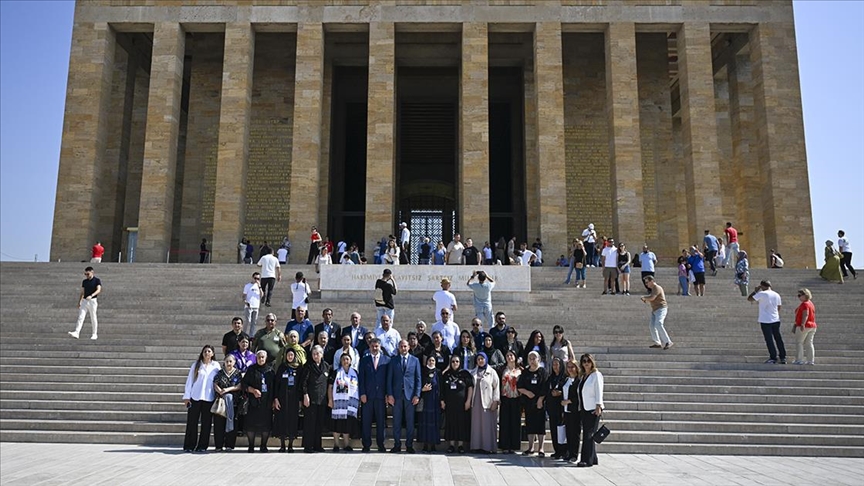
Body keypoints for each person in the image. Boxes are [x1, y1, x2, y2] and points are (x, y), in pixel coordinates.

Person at [182, 345, 221, 452]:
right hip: (195, 396)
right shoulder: (196, 365)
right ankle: (189, 445)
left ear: (213, 353)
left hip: (209, 397)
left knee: (206, 423)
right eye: (205, 351)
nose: (207, 353)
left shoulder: (216, 366)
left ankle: (202, 446)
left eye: (209, 351)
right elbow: (190, 381)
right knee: (192, 422)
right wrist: (187, 397)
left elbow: (219, 380)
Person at [387, 340, 422, 453]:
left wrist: (417, 395)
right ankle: (397, 444)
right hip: (396, 395)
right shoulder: (393, 361)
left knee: (410, 421)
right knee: (396, 421)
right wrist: (390, 395)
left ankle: (409, 445)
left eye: (405, 346)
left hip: (410, 395)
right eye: (401, 346)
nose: (403, 348)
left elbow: (418, 379)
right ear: (398, 348)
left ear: (408, 347)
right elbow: (389, 380)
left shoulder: (415, 360)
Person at [358, 338, 390, 452]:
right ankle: (366, 445)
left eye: (377, 346)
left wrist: (387, 394)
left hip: (381, 396)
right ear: (369, 347)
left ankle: (381, 444)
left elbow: (388, 379)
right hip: (367, 396)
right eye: (373, 346)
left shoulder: (387, 360)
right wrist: (362, 393)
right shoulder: (364, 360)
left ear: (380, 347)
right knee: (366, 421)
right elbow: (361, 378)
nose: (375, 348)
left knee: (381, 422)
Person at [241, 350, 275, 453]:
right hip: (253, 402)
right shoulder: (251, 369)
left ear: (266, 358)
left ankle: (263, 445)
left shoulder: (270, 370)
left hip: (266, 402)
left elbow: (274, 387)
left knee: (266, 426)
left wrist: (273, 400)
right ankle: (251, 445)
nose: (261, 359)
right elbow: (244, 384)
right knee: (251, 425)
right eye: (259, 357)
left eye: (263, 357)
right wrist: (252, 390)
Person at [441, 355, 473, 454]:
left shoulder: (465, 374)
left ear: (460, 363)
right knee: (450, 424)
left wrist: (468, 401)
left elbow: (470, 388)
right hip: (450, 404)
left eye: (457, 361)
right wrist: (442, 401)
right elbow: (442, 389)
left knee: (461, 424)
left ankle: (460, 446)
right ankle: (451, 445)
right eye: (453, 361)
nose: (455, 363)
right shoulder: (446, 374)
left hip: (462, 404)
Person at [748, 280, 786, 364]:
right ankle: (783, 357)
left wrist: (755, 291)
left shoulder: (762, 294)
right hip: (776, 319)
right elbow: (779, 307)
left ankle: (773, 357)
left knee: (769, 340)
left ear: (762, 286)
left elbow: (749, 299)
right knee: (778, 338)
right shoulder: (776, 294)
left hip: (765, 320)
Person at [576, 353, 604, 467]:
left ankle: (586, 460)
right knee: (589, 433)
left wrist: (598, 405)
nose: (586, 363)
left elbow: (599, 390)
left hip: (593, 408)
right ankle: (594, 457)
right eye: (584, 361)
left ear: (592, 362)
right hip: (584, 408)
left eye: (588, 361)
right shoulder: (583, 376)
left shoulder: (596, 375)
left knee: (588, 434)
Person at [301, 345, 330, 453]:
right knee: (310, 423)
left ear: (322, 354)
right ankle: (308, 446)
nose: (316, 356)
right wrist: (305, 395)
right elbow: (303, 383)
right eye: (314, 354)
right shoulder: (308, 366)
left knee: (319, 423)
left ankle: (317, 445)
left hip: (322, 399)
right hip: (310, 398)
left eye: (318, 353)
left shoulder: (326, 366)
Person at [518, 350, 548, 456]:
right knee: (530, 424)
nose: (532, 360)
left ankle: (541, 448)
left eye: (534, 358)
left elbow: (545, 386)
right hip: (528, 402)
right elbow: (520, 386)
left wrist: (540, 399)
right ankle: (531, 448)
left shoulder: (542, 371)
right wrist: (526, 392)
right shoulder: (525, 372)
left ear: (538, 359)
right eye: (530, 358)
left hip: (540, 402)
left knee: (540, 425)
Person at [328, 353, 360, 451]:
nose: (345, 361)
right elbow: (330, 387)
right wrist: (330, 399)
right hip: (338, 403)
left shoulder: (354, 373)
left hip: (350, 404)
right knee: (337, 423)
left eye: (347, 359)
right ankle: (336, 444)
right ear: (340, 361)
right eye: (343, 359)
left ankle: (346, 444)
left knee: (347, 424)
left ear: (350, 361)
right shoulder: (335, 372)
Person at [469, 352, 500, 453]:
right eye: (478, 359)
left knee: (487, 425)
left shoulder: (492, 372)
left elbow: (496, 387)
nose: (480, 361)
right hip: (476, 401)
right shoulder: (473, 372)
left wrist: (495, 401)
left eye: (482, 359)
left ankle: (488, 447)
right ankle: (476, 446)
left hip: (488, 401)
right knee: (476, 424)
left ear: (486, 359)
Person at [273, 348, 302, 452]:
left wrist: (300, 399)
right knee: (282, 420)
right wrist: (276, 398)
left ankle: (290, 444)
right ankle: (282, 445)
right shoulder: (282, 367)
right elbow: (277, 384)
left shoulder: (299, 368)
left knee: (292, 421)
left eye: (292, 355)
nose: (290, 357)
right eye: (288, 355)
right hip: (282, 398)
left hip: (294, 398)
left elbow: (301, 384)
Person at [212, 354, 242, 452]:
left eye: (231, 361)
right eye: (227, 361)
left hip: (233, 402)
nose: (229, 363)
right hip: (221, 402)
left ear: (234, 362)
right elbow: (215, 383)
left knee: (232, 421)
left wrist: (228, 389)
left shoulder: (237, 373)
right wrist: (220, 390)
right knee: (219, 424)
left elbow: (240, 385)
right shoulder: (220, 373)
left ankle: (229, 444)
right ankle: (219, 445)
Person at [498, 350, 522, 454]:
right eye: (507, 355)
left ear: (515, 357)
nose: (509, 357)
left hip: (516, 398)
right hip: (505, 398)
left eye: (511, 355)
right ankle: (505, 445)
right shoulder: (502, 369)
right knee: (505, 422)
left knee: (515, 422)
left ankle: (514, 446)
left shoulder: (520, 370)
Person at [68, 266, 102, 340]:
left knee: (93, 317)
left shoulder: (97, 280)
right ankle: (77, 332)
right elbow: (82, 292)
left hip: (92, 301)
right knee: (81, 317)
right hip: (84, 301)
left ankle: (94, 334)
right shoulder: (84, 281)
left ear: (92, 272)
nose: (86, 275)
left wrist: (92, 295)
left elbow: (99, 290)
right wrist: (79, 301)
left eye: (88, 274)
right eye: (85, 274)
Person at [417, 354, 442, 452]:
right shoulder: (422, 371)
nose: (431, 362)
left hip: (435, 400)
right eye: (429, 360)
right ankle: (425, 444)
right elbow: (418, 383)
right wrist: (422, 389)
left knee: (434, 422)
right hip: (425, 400)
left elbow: (441, 387)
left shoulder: (438, 372)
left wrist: (442, 399)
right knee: (425, 422)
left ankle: (433, 444)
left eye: (433, 360)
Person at [642, 276, 673, 350]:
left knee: (658, 323)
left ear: (652, 281)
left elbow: (652, 298)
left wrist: (644, 298)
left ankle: (668, 341)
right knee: (652, 326)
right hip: (655, 310)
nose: (646, 284)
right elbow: (651, 297)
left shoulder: (656, 288)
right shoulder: (653, 289)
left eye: (647, 282)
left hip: (661, 309)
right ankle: (657, 343)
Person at [560, 359, 581, 462]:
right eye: (568, 367)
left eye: (572, 367)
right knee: (568, 432)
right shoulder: (566, 380)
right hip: (566, 410)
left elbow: (579, 396)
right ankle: (568, 452)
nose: (570, 369)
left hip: (575, 410)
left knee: (574, 433)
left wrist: (568, 401)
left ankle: (574, 454)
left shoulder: (579, 380)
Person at [546, 357, 567, 459]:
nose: (555, 367)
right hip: (552, 408)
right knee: (554, 430)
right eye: (553, 365)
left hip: (561, 408)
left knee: (562, 430)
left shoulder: (565, 378)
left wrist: (560, 393)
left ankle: (564, 451)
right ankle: (557, 451)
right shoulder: (551, 378)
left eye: (557, 364)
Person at [793, 288, 818, 365]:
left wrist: (802, 324)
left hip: (804, 325)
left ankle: (799, 359)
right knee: (809, 343)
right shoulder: (810, 303)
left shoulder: (805, 304)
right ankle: (810, 360)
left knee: (799, 342)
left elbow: (805, 314)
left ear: (805, 295)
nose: (799, 297)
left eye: (800, 295)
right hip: (812, 325)